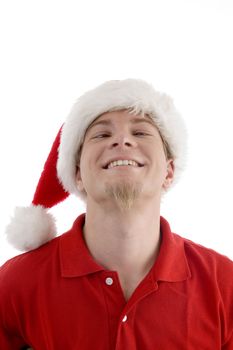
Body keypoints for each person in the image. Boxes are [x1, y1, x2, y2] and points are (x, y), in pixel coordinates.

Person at [0, 79, 233, 349]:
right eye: (101, 135)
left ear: (169, 171)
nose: (122, 140)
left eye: (141, 132)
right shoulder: (16, 285)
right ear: (77, 174)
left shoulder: (224, 284)